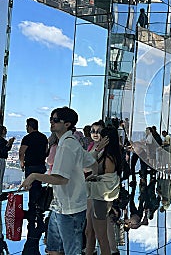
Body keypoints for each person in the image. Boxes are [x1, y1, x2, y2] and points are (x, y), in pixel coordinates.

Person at [20, 107, 108, 255]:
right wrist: (96, 154)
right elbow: (88, 162)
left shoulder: (67, 145)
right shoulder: (69, 142)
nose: (51, 123)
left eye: (55, 120)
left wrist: (34, 176)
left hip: (69, 210)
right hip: (61, 207)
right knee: (54, 250)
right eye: (51, 119)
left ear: (67, 124)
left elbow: (61, 179)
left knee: (69, 251)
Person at [85, 126, 121, 255]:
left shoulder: (108, 158)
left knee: (101, 237)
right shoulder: (108, 155)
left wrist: (93, 179)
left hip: (101, 199)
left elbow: (107, 181)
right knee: (93, 233)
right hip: (100, 198)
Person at [19, 118, 49, 255]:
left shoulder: (27, 138)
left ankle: (33, 209)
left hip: (31, 166)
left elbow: (22, 151)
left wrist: (22, 162)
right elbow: (47, 151)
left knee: (31, 186)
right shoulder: (43, 137)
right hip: (40, 165)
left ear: (29, 126)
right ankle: (38, 206)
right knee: (38, 185)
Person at [0, 126, 14, 191]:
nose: (6, 131)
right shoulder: (2, 141)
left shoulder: (2, 140)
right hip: (1, 159)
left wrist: (9, 143)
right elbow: (3, 150)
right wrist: (9, 143)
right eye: (5, 130)